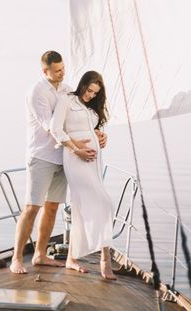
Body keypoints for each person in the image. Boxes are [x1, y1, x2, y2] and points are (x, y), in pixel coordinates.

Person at [10, 51, 105, 274]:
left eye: (63, 68)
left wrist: (98, 133)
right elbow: (51, 127)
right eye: (58, 70)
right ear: (45, 71)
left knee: (52, 207)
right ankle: (16, 259)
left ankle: (40, 255)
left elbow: (81, 118)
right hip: (42, 156)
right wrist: (77, 148)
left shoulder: (66, 89)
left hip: (63, 158)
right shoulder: (36, 92)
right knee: (32, 207)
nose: (62, 73)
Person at [50, 70, 116, 280]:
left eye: (95, 93)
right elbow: (56, 129)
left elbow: (91, 129)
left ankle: (71, 258)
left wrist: (101, 136)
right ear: (83, 85)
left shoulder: (90, 109)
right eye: (89, 91)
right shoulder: (67, 100)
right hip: (76, 158)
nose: (91, 95)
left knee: (81, 206)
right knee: (105, 203)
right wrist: (75, 149)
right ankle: (105, 260)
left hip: (94, 162)